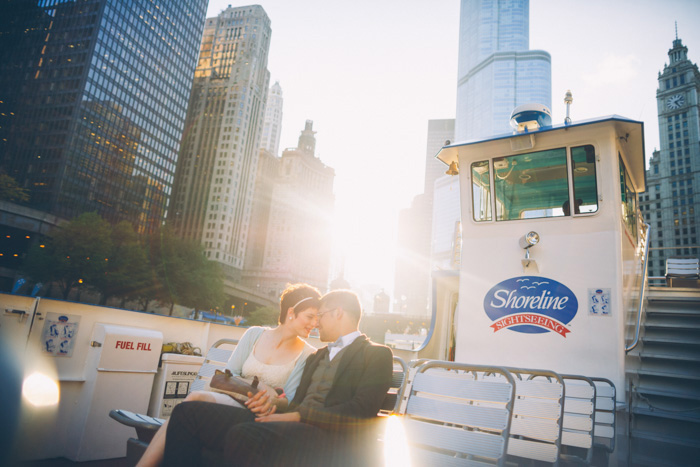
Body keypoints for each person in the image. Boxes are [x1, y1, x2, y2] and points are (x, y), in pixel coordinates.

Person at [162, 289, 394, 466]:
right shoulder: (316, 356)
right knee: (187, 414)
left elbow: (360, 411)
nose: (316, 323)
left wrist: (297, 416)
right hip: (290, 426)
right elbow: (295, 401)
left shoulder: (376, 354)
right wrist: (274, 403)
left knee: (243, 434)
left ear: (338, 313)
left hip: (332, 438)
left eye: (320, 315)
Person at [136, 283, 321, 467]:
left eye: (317, 318)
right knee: (193, 399)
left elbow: (290, 398)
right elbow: (229, 373)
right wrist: (260, 387)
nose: (314, 324)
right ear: (291, 312)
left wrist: (271, 400)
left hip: (262, 413)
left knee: (189, 405)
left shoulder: (307, 354)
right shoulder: (254, 334)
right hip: (235, 399)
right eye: (310, 317)